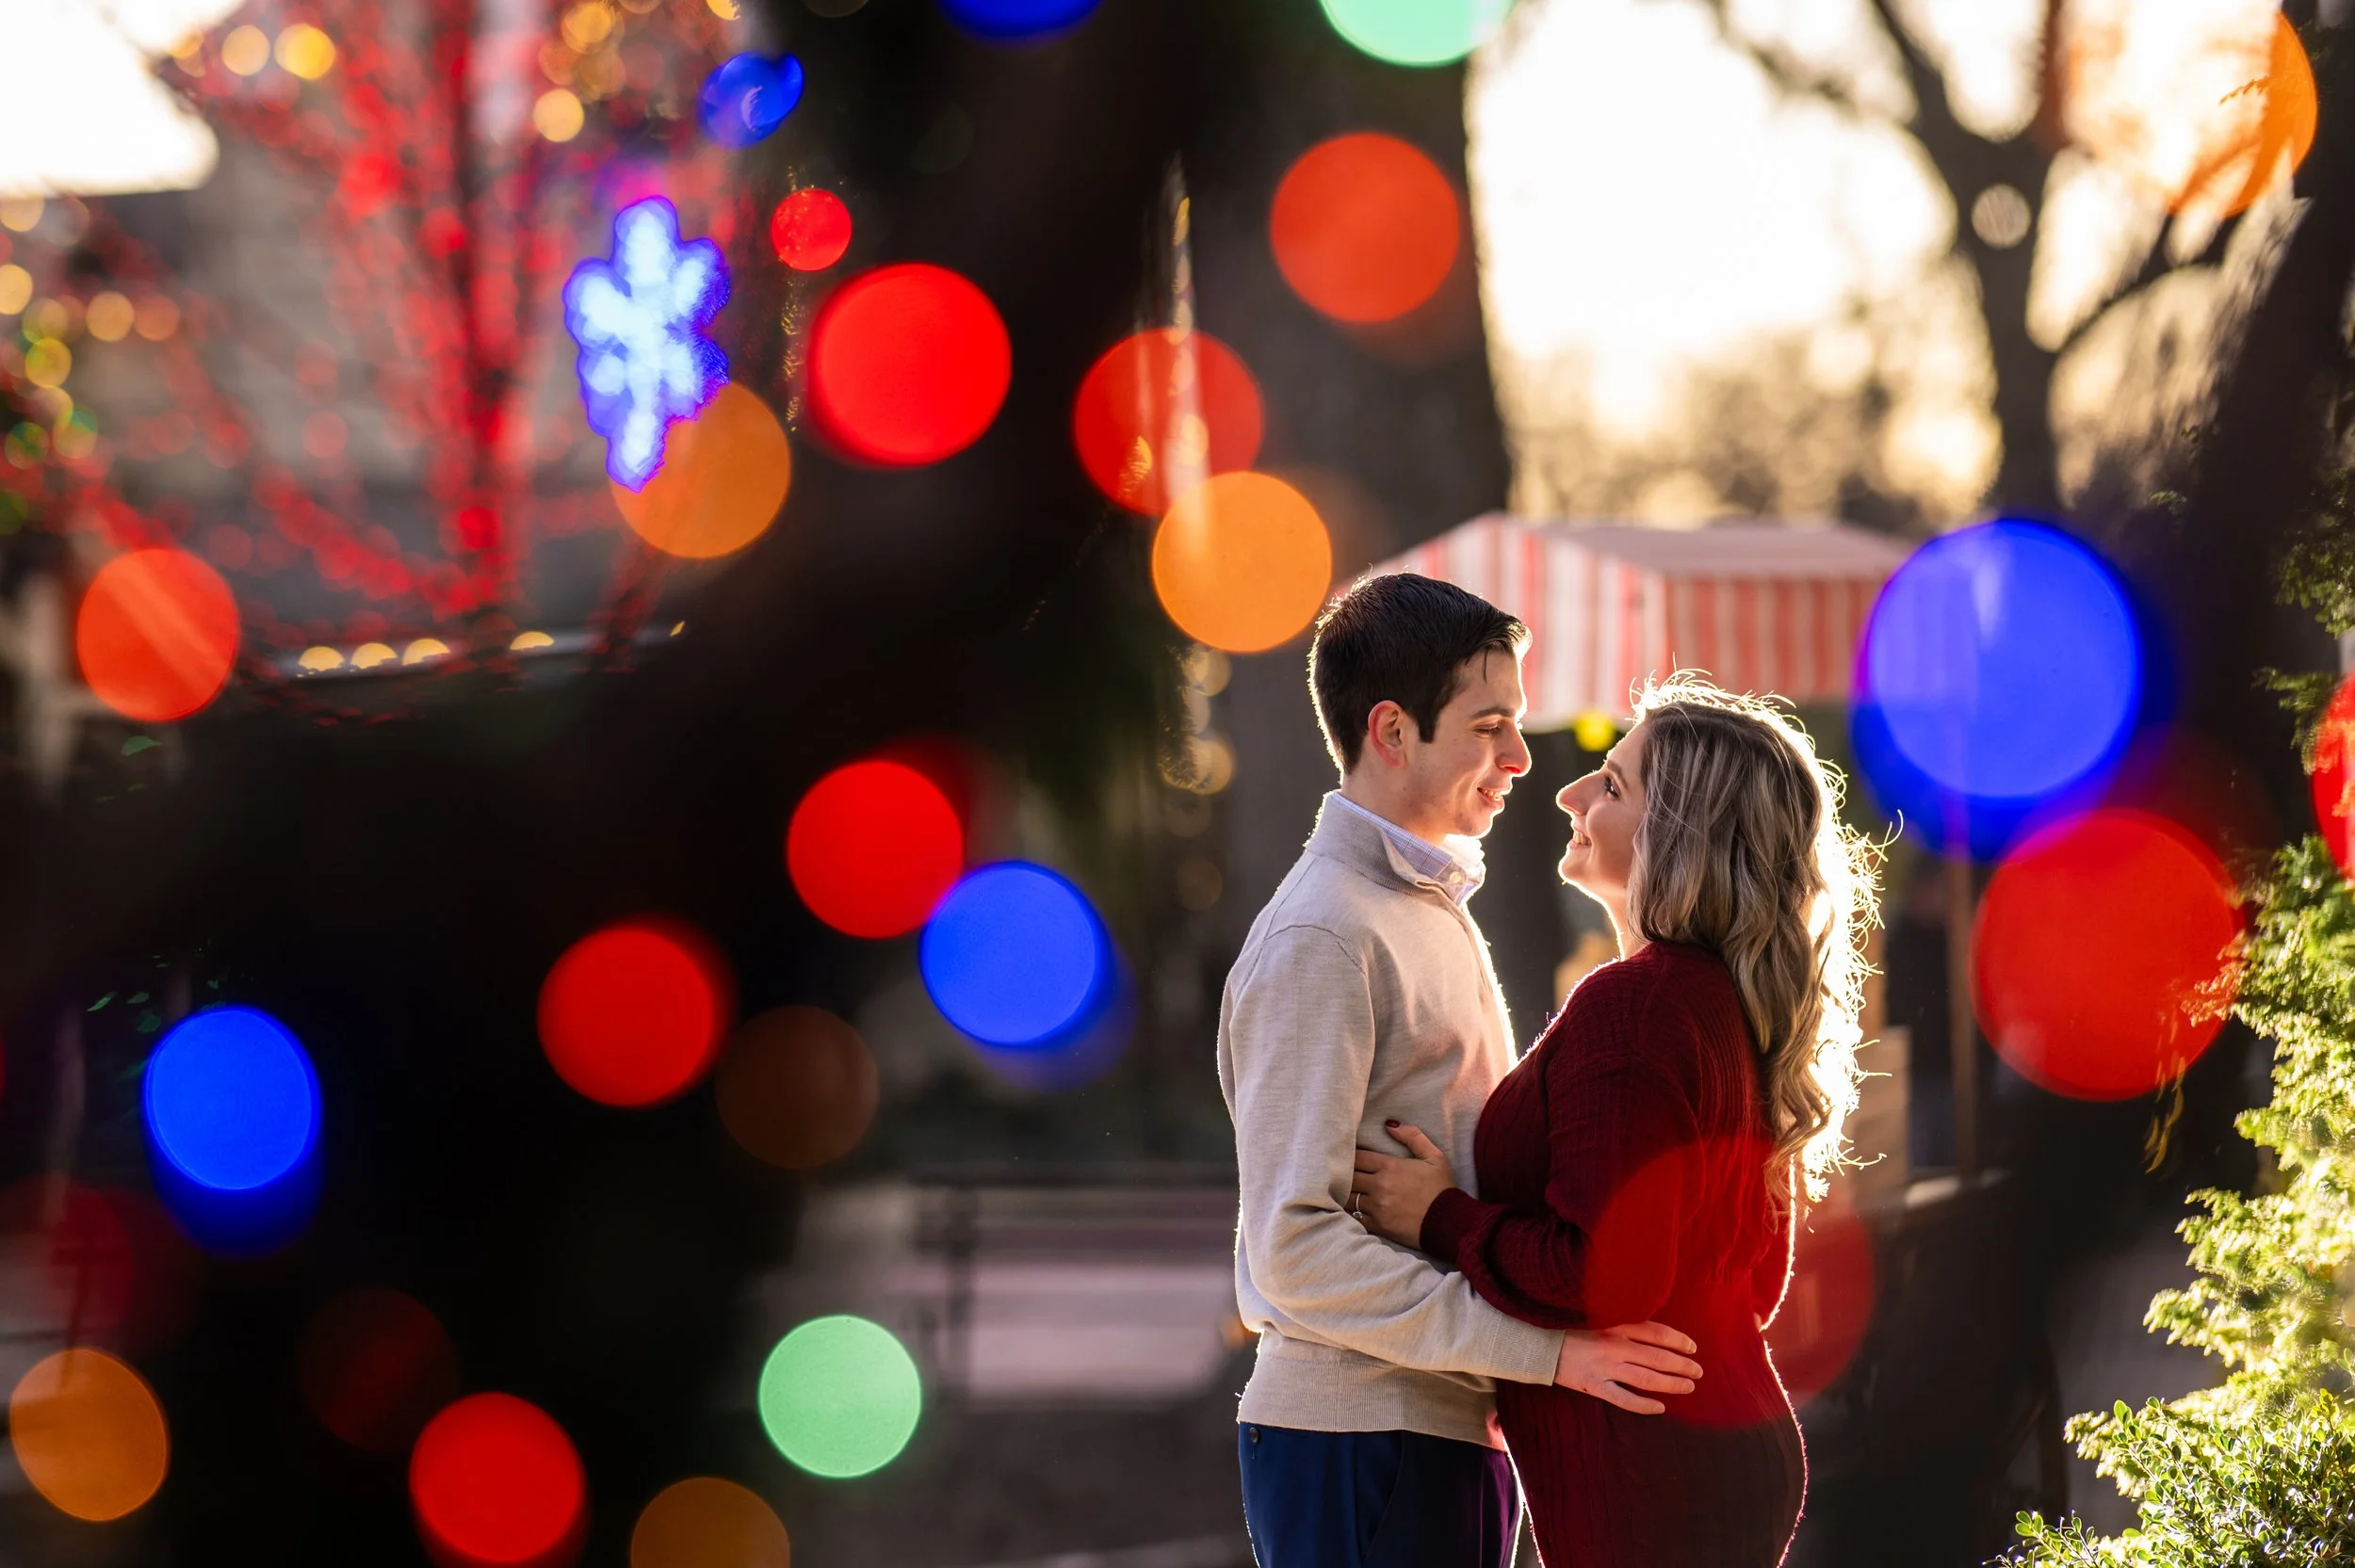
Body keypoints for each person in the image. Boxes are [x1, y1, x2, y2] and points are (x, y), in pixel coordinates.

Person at [1218, 575, 1705, 1568]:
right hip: (1360, 1436)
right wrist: (1551, 1354)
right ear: (1391, 732)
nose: (1520, 759)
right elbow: (1291, 1253)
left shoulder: (1420, 906)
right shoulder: (1324, 933)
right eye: (1489, 726)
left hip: (1434, 1429)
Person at [1352, 676, 1877, 1568]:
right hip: (1706, 1443)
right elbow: (1751, 1281)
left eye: (1612, 784)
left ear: (1678, 836)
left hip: (1648, 1473)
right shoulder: (1718, 1002)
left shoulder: (1635, 1008)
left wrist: (1441, 1214)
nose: (1569, 793)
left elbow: (1601, 1269)